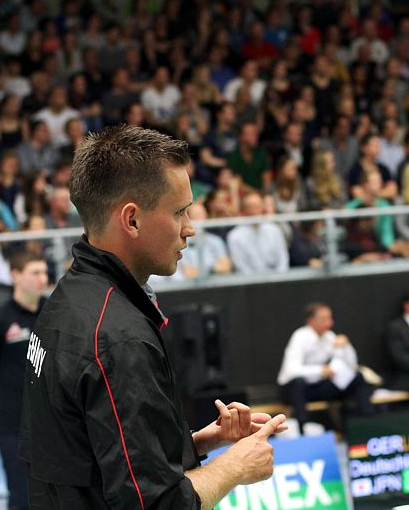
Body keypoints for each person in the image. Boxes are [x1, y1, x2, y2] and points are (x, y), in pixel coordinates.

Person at [19, 125, 286, 509]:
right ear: (131, 220)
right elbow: (156, 505)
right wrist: (235, 466)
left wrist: (192, 442)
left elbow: (96, 459)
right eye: (179, 211)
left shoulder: (68, 299)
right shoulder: (118, 338)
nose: (190, 228)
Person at [0, 251, 49, 510]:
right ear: (15, 275)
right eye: (35, 272)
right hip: (14, 425)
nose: (42, 278)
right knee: (23, 495)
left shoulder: (54, 313)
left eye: (44, 272)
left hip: (53, 421)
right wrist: (8, 392)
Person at [277, 302, 374, 431]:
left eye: (330, 318)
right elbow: (292, 370)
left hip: (318, 387)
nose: (329, 323)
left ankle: (366, 424)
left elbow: (351, 366)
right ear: (311, 321)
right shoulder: (300, 337)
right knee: (298, 383)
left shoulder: (329, 336)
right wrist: (320, 370)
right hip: (292, 389)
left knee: (357, 377)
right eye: (324, 319)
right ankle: (303, 430)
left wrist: (346, 346)